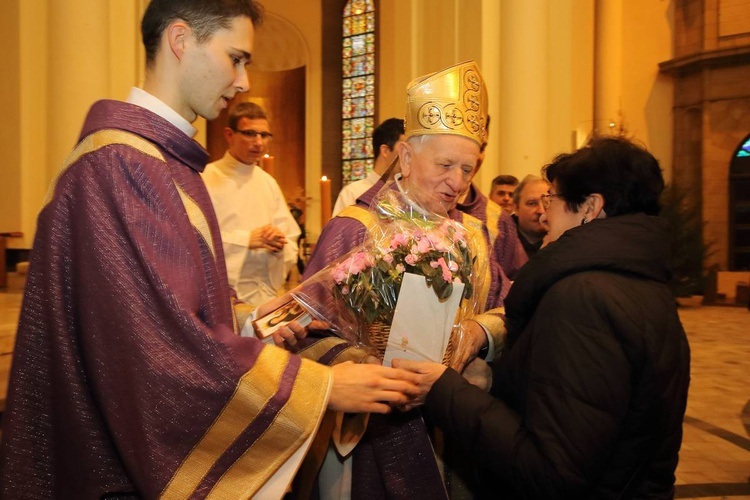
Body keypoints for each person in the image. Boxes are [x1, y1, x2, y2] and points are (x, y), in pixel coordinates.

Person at [0, 1, 419, 498]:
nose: (244, 80)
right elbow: (153, 350)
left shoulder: (163, 161)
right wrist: (319, 388)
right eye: (236, 58)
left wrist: (249, 319)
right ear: (181, 40)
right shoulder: (121, 166)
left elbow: (173, 307)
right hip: (115, 467)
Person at [395, 136, 691, 499]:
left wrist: (443, 390)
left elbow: (553, 469)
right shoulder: (641, 282)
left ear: (590, 208)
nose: (542, 213)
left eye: (553, 198)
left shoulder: (582, 297)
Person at [298, 60, 504, 499]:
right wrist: (359, 359)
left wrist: (480, 330)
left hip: (454, 427)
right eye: (446, 165)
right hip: (369, 433)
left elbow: (510, 307)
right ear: (405, 157)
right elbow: (300, 329)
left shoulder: (473, 236)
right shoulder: (354, 230)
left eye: (468, 170)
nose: (458, 184)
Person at [202, 102, 301, 306]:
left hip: (264, 296)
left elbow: (291, 239)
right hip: (224, 296)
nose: (259, 142)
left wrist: (278, 243)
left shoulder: (268, 183)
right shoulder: (206, 178)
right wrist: (245, 240)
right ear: (229, 135)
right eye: (249, 134)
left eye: (264, 135)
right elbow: (196, 239)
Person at [332, 117, 405, 216]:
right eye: (403, 148)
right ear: (385, 151)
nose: (408, 155)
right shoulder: (352, 193)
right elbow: (342, 230)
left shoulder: (409, 194)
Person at [512, 174, 549, 258]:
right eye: (532, 203)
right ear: (516, 208)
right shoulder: (500, 242)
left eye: (546, 203)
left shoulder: (564, 240)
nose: (541, 211)